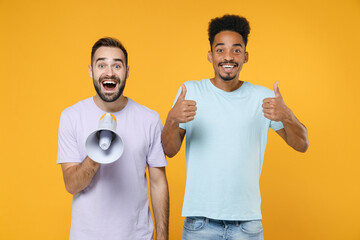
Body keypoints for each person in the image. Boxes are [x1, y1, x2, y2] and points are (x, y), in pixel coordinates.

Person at [161, 15, 309, 240]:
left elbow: (302, 144)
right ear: (210, 55)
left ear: (245, 56)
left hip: (247, 225)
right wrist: (172, 119)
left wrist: (287, 116)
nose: (228, 57)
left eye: (236, 50)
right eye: (220, 50)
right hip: (200, 223)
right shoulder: (190, 92)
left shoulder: (263, 97)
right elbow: (169, 150)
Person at [57, 37, 169, 240]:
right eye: (102, 65)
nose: (109, 72)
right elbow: (71, 185)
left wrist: (162, 237)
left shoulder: (149, 119)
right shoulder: (71, 116)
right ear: (91, 71)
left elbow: (158, 182)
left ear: (127, 71)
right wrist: (98, 152)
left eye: (117, 65)